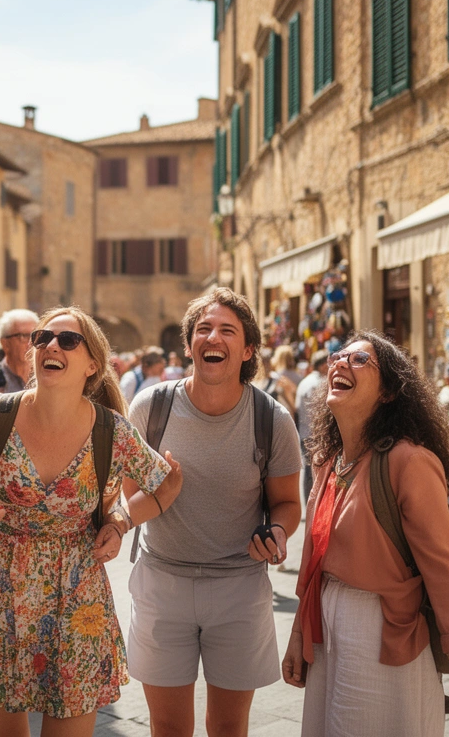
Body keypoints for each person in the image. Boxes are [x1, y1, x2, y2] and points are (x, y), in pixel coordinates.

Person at [0, 307, 183, 736]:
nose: (51, 345)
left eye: (68, 340)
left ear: (93, 364)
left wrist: (121, 522)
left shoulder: (112, 430)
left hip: (77, 601)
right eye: (42, 338)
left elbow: (167, 484)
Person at [282, 333, 449, 735]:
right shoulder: (329, 462)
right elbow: (313, 561)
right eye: (339, 356)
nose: (340, 363)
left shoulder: (409, 461)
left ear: (388, 393)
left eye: (359, 360)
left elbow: (443, 565)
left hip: (381, 632)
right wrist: (298, 634)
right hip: (325, 628)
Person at [126, 289, 302, 737]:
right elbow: (128, 501)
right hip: (162, 582)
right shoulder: (150, 407)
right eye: (203, 329)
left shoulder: (272, 419)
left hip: (239, 587)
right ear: (189, 346)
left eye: (227, 330)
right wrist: (162, 493)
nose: (213, 337)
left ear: (247, 350)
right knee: (168, 727)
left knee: (228, 726)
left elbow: (287, 502)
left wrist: (278, 532)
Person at [295, 349, 330, 508]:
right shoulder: (319, 383)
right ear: (322, 365)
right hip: (316, 434)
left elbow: (297, 407)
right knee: (315, 472)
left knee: (309, 471)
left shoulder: (304, 382)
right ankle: (313, 506)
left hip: (305, 433)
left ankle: (310, 505)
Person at [259, 350, 297, 422]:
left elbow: (289, 403)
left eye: (268, 362)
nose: (266, 366)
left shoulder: (278, 379)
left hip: (274, 420)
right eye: (264, 363)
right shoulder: (252, 381)